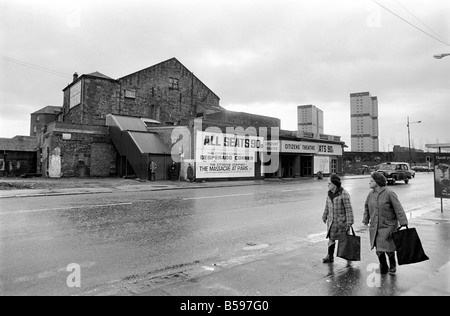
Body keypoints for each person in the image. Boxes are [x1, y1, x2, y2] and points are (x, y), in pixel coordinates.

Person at [363, 172, 408, 274]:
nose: (369, 182)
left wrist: (403, 222)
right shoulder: (370, 194)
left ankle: (392, 264)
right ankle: (383, 266)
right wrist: (366, 220)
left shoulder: (389, 194)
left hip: (388, 226)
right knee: (378, 249)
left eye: (372, 180)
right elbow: (366, 207)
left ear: (378, 182)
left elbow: (398, 208)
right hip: (375, 226)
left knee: (388, 248)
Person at [322, 173, 354, 263]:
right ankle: (330, 256)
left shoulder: (344, 194)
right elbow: (327, 206)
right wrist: (324, 216)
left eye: (329, 183)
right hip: (332, 221)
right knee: (331, 238)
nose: (328, 185)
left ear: (334, 184)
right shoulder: (329, 193)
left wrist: (350, 222)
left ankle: (348, 256)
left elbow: (349, 209)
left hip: (341, 222)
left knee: (344, 239)